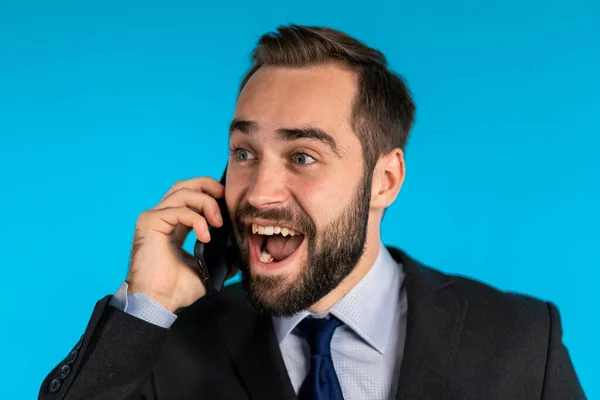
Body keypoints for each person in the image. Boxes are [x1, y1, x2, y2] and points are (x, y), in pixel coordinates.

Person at [39, 24, 586, 400]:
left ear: (385, 180)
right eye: (244, 153)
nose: (258, 192)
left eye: (303, 156)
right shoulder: (160, 344)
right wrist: (147, 308)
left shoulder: (520, 341)